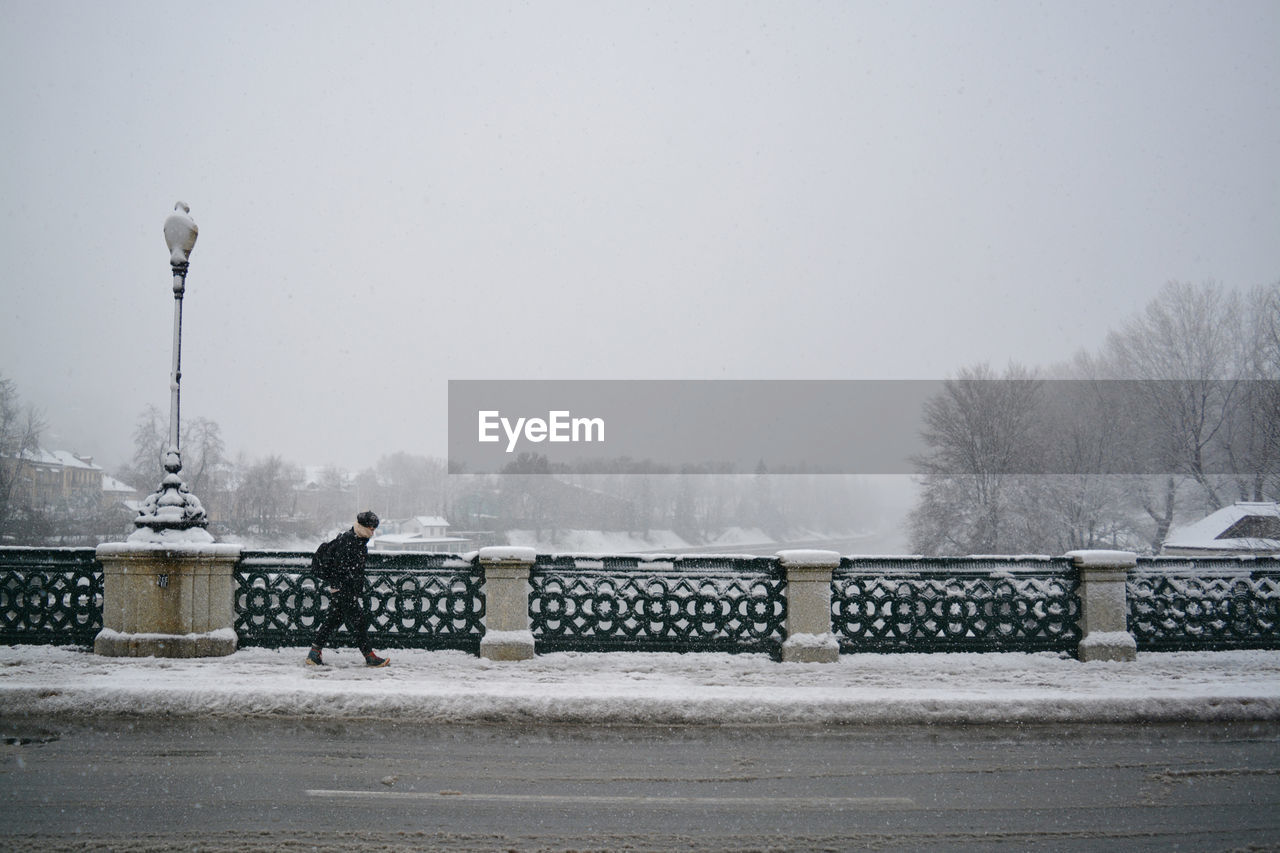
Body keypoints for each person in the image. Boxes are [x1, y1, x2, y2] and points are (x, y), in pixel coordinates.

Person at [306, 510, 390, 668]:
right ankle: (370, 657)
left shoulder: (357, 539)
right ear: (363, 527)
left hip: (343, 589)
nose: (373, 532)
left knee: (332, 621)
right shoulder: (349, 541)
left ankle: (314, 653)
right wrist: (345, 588)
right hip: (344, 590)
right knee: (359, 623)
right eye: (371, 528)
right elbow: (342, 569)